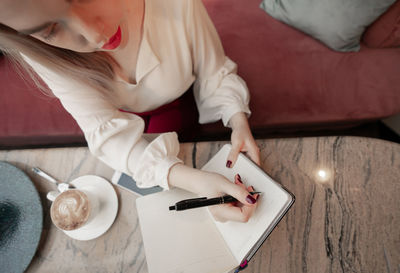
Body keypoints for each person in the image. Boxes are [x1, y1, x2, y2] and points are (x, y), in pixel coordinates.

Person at [0, 0, 260, 222]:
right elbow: (108, 136)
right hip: (135, 122)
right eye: (49, 31)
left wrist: (237, 119)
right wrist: (195, 180)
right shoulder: (43, 56)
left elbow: (212, 69)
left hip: (185, 100)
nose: (95, 35)